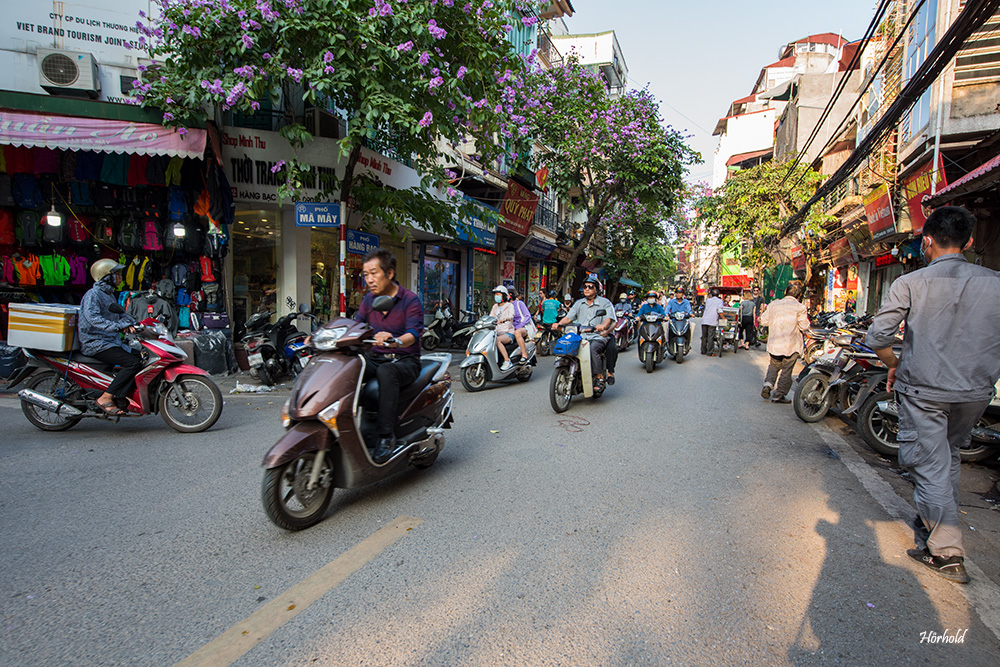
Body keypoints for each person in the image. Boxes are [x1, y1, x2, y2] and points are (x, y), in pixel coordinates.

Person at [865, 206, 1000, 584]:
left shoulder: (912, 282)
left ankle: (947, 552)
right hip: (975, 393)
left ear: (926, 241)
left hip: (924, 390)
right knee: (947, 456)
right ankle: (932, 525)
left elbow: (878, 337)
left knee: (929, 463)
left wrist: (893, 363)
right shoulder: (995, 283)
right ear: (970, 241)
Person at [354, 249, 424, 463]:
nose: (369, 279)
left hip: (404, 361)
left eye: (373, 273)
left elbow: (414, 333)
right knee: (349, 366)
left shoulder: (410, 300)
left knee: (386, 371)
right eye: (366, 275)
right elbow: (355, 325)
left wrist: (395, 340)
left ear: (390, 273)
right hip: (376, 358)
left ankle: (386, 437)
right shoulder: (368, 300)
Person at [78, 259, 140, 416]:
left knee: (140, 357)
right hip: (96, 342)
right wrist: (119, 327)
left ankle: (121, 397)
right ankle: (106, 398)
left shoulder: (109, 295)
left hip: (110, 341)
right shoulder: (93, 295)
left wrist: (136, 324)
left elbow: (120, 316)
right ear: (106, 276)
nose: (120, 277)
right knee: (133, 363)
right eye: (117, 274)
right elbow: (93, 319)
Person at [555, 274, 617, 387]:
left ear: (596, 289)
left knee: (592, 349)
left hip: (597, 336)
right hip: (580, 336)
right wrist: (558, 324)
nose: (587, 289)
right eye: (585, 287)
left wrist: (603, 326)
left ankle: (599, 376)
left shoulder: (605, 302)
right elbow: (569, 318)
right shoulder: (579, 303)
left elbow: (608, 319)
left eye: (590, 286)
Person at [759, 281, 809, 404]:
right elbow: (804, 326)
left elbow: (763, 321)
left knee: (774, 365)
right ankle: (779, 395)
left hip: (775, 343)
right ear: (799, 295)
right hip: (791, 345)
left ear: (785, 292)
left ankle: (768, 385)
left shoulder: (774, 304)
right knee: (787, 370)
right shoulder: (800, 307)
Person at [489, 285, 517, 371]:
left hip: (508, 333)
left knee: (497, 340)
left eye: (498, 294)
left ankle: (507, 361)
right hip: (495, 332)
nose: (496, 296)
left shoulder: (509, 306)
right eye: (495, 294)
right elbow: (490, 317)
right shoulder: (495, 307)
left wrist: (504, 319)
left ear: (504, 295)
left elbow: (512, 315)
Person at [508, 287, 532, 365]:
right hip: (509, 328)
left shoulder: (519, 303)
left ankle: (524, 355)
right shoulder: (506, 306)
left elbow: (527, 316)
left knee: (517, 333)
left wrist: (518, 326)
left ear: (510, 294)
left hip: (522, 328)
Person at [666, 287, 693, 352]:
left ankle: (689, 343)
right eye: (677, 293)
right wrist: (666, 315)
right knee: (665, 327)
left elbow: (689, 310)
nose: (678, 294)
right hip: (673, 321)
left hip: (683, 321)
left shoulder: (686, 302)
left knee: (692, 326)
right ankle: (666, 342)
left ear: (683, 294)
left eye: (680, 293)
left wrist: (691, 314)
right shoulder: (671, 301)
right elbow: (667, 309)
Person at [701, 287, 725, 355]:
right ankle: (710, 352)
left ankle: (703, 351)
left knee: (704, 336)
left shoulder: (708, 300)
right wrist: (724, 318)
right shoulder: (719, 301)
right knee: (710, 337)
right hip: (712, 321)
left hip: (705, 320)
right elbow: (720, 311)